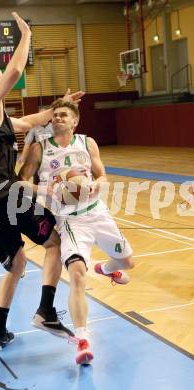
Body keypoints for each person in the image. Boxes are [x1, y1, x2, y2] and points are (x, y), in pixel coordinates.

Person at [0, 12, 84, 352]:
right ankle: (45, 310)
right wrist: (26, 35)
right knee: (55, 242)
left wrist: (60, 106)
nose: (4, 82)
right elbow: (15, 71)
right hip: (3, 193)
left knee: (16, 263)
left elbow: (30, 120)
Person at [19, 99, 134, 365]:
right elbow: (21, 182)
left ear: (75, 122)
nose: (58, 118)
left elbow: (102, 174)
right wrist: (44, 190)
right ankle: (83, 339)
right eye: (55, 115)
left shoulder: (87, 142)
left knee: (128, 262)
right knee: (77, 274)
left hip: (97, 212)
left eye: (63, 115)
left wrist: (97, 186)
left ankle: (106, 269)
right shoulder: (40, 148)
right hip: (69, 220)